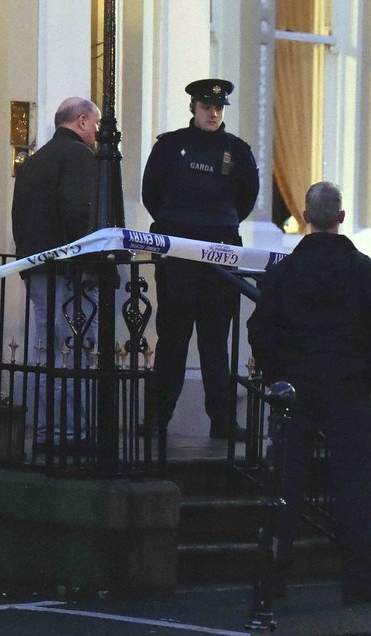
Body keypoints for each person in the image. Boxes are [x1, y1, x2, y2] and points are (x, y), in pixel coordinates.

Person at [247, 181, 371, 604]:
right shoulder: (366, 272)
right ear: (342, 218)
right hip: (348, 388)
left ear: (305, 217)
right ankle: (359, 576)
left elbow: (260, 329)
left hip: (295, 388)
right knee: (353, 483)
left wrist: (278, 372)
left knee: (285, 482)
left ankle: (275, 575)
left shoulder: (282, 274)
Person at [142, 78, 260, 440]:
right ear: (193, 106)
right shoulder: (170, 147)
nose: (213, 113)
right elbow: (151, 194)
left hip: (219, 258)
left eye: (219, 108)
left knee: (215, 343)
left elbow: (245, 201)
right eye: (207, 107)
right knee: (173, 340)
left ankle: (222, 422)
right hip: (178, 256)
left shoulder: (237, 151)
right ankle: (157, 418)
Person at [11, 96, 101, 447]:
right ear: (81, 121)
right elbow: (80, 212)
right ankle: (71, 434)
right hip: (69, 271)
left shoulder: (33, 162)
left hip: (37, 267)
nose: (98, 132)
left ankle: (47, 431)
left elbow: (20, 218)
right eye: (95, 124)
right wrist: (91, 260)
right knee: (73, 351)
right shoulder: (79, 156)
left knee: (46, 350)